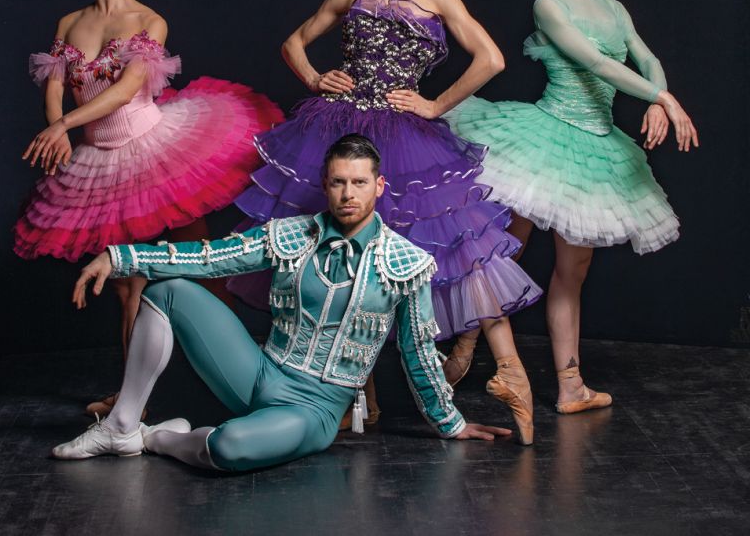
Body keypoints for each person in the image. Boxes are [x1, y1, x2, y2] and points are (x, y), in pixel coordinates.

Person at [229, 0, 541, 443]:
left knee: (458, 244)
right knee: (346, 252)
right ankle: (359, 389)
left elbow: (491, 58)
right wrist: (314, 78)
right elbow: (294, 43)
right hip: (340, 127)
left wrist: (435, 105)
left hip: (406, 135)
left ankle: (511, 373)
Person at [51, 134, 510, 471]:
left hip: (314, 408)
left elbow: (417, 350)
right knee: (166, 291)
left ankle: (156, 440)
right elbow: (211, 258)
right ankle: (121, 426)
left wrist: (450, 423)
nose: (348, 194)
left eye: (358, 182)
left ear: (379, 185)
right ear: (325, 184)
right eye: (338, 182)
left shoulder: (405, 263)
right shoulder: (292, 234)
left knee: (227, 447)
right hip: (259, 372)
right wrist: (120, 257)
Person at [15, 0, 283, 415]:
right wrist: (59, 132)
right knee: (126, 283)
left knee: (203, 268)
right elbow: (53, 88)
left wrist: (65, 123)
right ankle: (132, 399)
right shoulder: (69, 23)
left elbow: (124, 90)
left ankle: (254, 378)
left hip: (157, 151)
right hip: (100, 162)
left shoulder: (149, 22)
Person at [443, 0, 699, 413]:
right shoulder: (550, 3)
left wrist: (659, 97)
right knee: (505, 250)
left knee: (572, 271)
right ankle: (466, 342)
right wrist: (662, 99)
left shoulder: (614, 7)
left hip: (595, 149)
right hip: (545, 139)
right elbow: (596, 63)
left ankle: (570, 386)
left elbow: (647, 58)